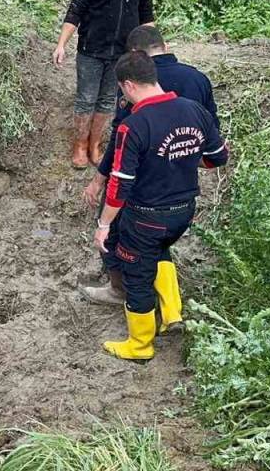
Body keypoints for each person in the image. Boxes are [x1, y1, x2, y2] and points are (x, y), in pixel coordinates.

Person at [79, 26, 219, 328]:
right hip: (182, 194)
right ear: (164, 45)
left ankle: (130, 312)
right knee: (158, 244)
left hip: (142, 196)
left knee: (132, 259)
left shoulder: (135, 107)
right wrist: (182, 157)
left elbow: (120, 149)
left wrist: (102, 208)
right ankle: (172, 313)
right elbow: (215, 149)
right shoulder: (197, 86)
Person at [53, 0, 155, 169]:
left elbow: (146, 13)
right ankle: (79, 145)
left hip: (122, 53)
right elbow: (75, 10)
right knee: (86, 99)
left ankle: (95, 145)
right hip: (91, 49)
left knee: (108, 100)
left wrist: (153, 47)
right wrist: (61, 44)